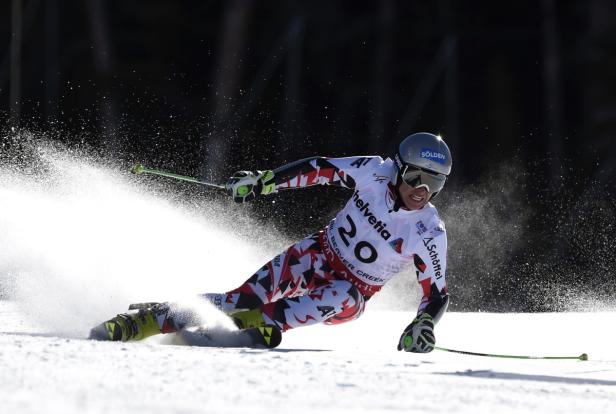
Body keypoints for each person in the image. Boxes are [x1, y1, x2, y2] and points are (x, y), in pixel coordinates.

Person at [90, 132, 451, 352]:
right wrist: (266, 181)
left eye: (435, 184)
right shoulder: (374, 171)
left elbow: (435, 293)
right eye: (417, 177)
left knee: (343, 294)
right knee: (237, 300)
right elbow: (319, 168)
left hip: (350, 294)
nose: (423, 191)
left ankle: (263, 323)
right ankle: (147, 320)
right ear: (401, 168)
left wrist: (424, 324)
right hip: (317, 254)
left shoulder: (428, 232)